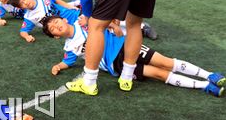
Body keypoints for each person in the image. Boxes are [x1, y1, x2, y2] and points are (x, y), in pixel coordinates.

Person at [41, 15, 225, 97]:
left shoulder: (82, 20)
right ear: (56, 36)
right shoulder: (70, 47)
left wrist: (112, 27)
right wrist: (58, 66)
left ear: (63, 20)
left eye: (57, 22)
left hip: (125, 47)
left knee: (165, 62)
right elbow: (68, 61)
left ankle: (209, 75)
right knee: (158, 74)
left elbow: (105, 21)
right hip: (117, 66)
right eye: (53, 29)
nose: (56, 26)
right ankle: (205, 86)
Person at [8, 0, 80, 43]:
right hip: (65, 29)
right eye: (22, 3)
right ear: (20, 8)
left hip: (74, 15)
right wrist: (27, 37)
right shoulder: (29, 17)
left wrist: (69, 6)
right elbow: (23, 31)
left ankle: (77, 3)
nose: (26, 2)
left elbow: (55, 0)